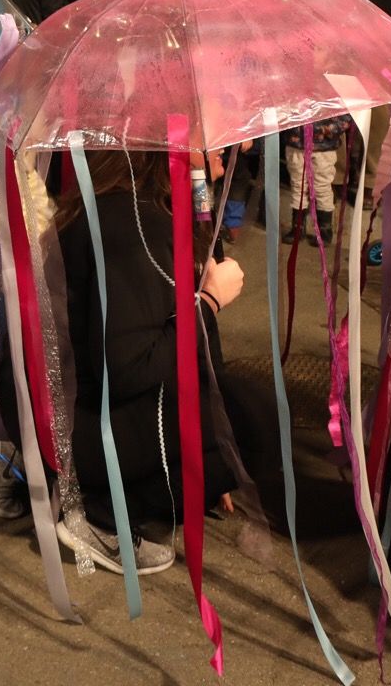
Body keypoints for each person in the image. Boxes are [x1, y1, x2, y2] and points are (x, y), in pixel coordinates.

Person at [54, 149, 246, 573]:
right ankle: (98, 514)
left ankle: (125, 487)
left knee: (231, 417)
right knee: (251, 419)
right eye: (215, 138)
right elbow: (128, 369)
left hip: (84, 405)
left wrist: (214, 452)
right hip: (80, 423)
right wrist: (209, 302)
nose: (231, 153)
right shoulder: (131, 220)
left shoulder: (151, 205)